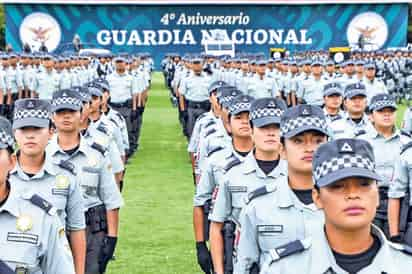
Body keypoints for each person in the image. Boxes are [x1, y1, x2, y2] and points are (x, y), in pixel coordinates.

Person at [261, 139, 412, 274]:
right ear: (317, 197)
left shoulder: (405, 265)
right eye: (338, 186)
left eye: (364, 184)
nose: (353, 195)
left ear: (377, 194)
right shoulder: (285, 268)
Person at [235, 104, 330, 273]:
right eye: (298, 141)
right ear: (282, 149)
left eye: (318, 141)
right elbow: (245, 265)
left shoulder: (343, 203)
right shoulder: (258, 206)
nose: (309, 148)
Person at [46, 89, 124, 274]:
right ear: (52, 117)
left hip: (91, 229)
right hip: (53, 228)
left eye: (71, 112)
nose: (66, 117)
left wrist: (112, 238)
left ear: (81, 114)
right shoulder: (44, 154)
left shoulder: (97, 153)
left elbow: (111, 199)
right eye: (60, 112)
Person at [209, 97, 287, 274]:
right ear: (252, 131)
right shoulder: (232, 176)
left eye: (276, 127)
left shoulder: (298, 176)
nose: (271, 133)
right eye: (264, 127)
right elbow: (216, 225)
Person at [9, 98, 86, 274]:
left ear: (51, 132)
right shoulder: (3, 174)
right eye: (24, 129)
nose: (30, 135)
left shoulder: (66, 176)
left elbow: (76, 229)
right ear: (14, 133)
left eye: (37, 129)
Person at [193, 94, 254, 274]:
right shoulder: (217, 160)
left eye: (249, 118)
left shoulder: (272, 160)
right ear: (228, 123)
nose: (245, 122)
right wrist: (200, 245)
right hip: (228, 238)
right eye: (239, 117)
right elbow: (200, 203)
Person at [357, 93, 410, 237]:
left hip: (401, 201)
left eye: (391, 111)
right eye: (381, 111)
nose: (387, 115)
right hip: (371, 198)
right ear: (371, 116)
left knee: (399, 243)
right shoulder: (361, 142)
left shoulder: (406, 141)